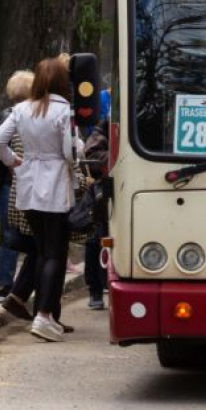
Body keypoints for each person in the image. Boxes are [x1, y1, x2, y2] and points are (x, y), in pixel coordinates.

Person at [0, 57, 80, 342]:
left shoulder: (21, 109)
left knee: (42, 250)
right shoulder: (64, 111)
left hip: (28, 183)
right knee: (55, 251)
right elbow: (69, 152)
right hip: (54, 184)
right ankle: (44, 314)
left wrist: (14, 160)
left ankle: (48, 314)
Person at [0, 69, 34, 302]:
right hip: (9, 181)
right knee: (11, 232)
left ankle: (8, 282)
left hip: (7, 181)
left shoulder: (7, 113)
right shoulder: (16, 115)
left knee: (11, 231)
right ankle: (4, 284)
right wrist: (14, 164)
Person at [83, 116, 109, 310]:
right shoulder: (110, 120)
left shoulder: (153, 115)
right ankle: (95, 289)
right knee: (96, 237)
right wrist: (118, 157)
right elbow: (91, 154)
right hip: (107, 187)